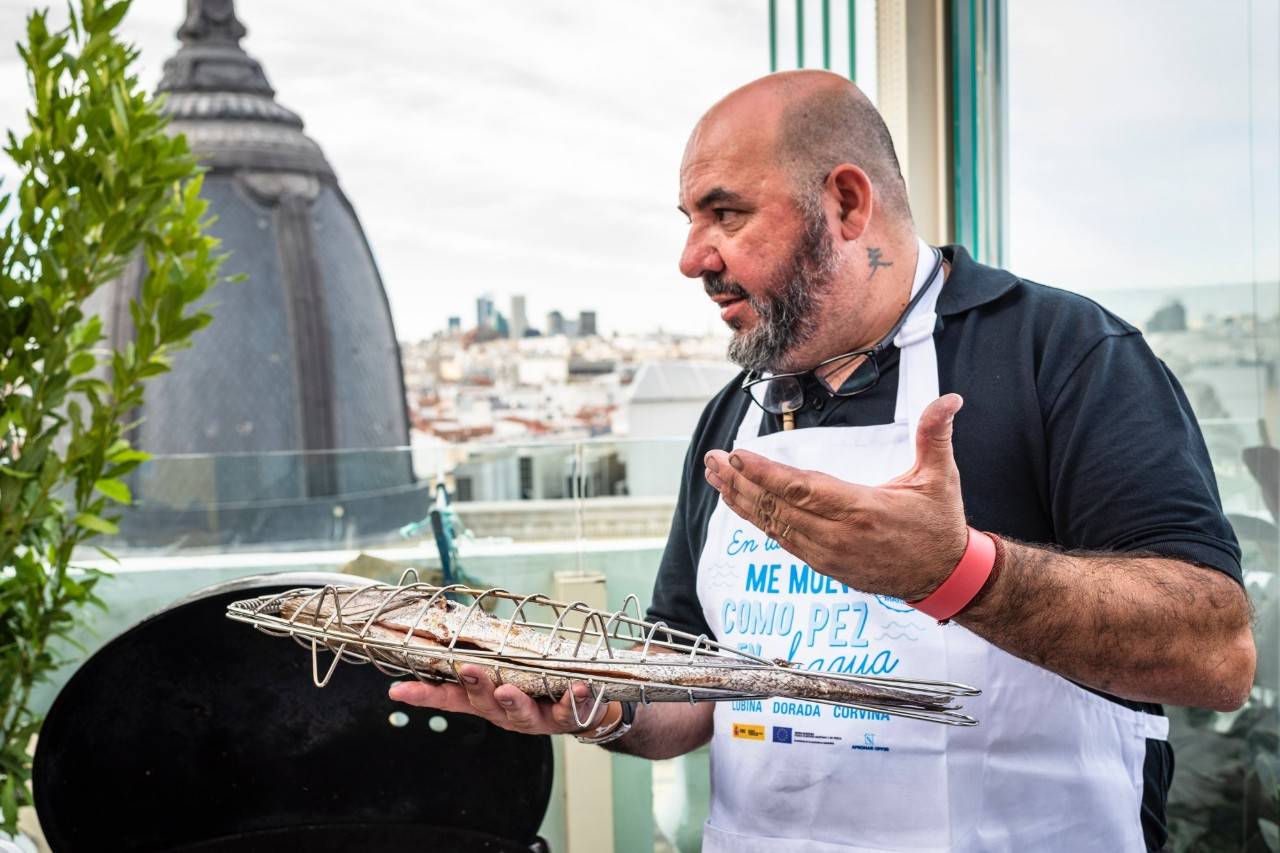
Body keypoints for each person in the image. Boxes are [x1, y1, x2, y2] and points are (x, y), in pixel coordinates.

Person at [390, 70, 1256, 852]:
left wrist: (959, 574)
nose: (692, 257)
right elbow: (694, 679)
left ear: (846, 203)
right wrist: (597, 701)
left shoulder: (1062, 353)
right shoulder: (734, 413)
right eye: (690, 222)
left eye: (724, 213)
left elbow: (1216, 652)